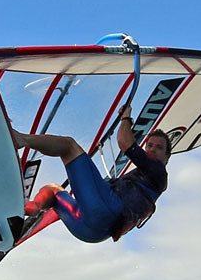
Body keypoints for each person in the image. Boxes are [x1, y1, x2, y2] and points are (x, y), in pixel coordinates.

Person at [11, 104, 170, 243]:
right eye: (149, 145)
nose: (152, 150)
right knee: (53, 190)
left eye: (159, 148)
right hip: (92, 234)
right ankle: (31, 207)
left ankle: (20, 139)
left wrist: (126, 117)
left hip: (107, 210)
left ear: (167, 156)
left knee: (69, 146)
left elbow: (124, 142)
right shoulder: (147, 178)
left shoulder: (159, 173)